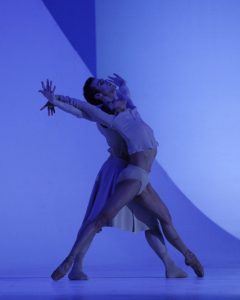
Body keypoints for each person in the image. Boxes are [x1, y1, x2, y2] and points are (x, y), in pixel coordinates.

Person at [39, 76, 204, 280]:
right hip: (120, 170)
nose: (106, 83)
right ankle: (73, 263)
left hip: (137, 173)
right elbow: (80, 109)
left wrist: (123, 85)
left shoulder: (128, 107)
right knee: (96, 218)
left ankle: (175, 263)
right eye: (100, 84)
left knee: (155, 220)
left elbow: (125, 95)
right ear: (99, 96)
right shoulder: (107, 117)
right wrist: (55, 99)